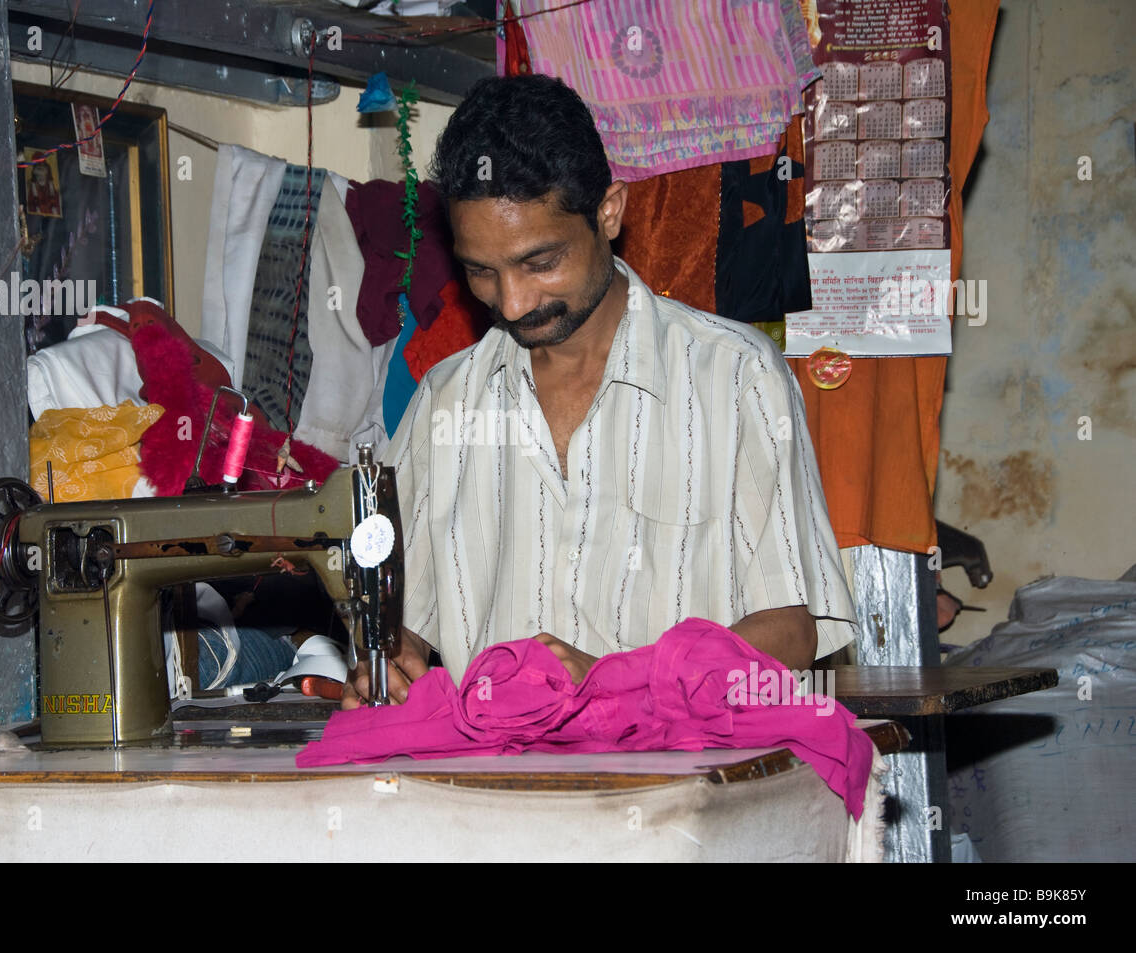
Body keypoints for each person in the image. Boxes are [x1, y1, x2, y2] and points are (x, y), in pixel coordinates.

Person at [343, 74, 858, 708]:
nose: (513, 301)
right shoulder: (446, 403)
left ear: (608, 213)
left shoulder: (735, 377)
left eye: (540, 262)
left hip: (686, 786)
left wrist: (623, 680)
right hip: (498, 791)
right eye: (482, 270)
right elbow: (397, 611)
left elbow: (790, 632)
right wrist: (394, 654)